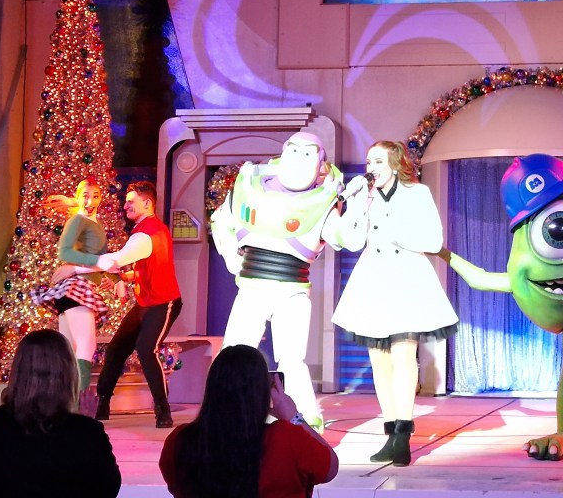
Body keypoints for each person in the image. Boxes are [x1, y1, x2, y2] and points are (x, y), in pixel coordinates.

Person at [329, 140, 458, 466]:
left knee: (403, 355)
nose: (371, 168)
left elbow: (434, 240)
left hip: (407, 279)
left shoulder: (417, 193)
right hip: (373, 280)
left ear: (395, 163)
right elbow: (353, 242)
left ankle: (403, 433)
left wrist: (396, 229)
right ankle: (390, 433)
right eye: (368, 162)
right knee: (379, 361)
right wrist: (354, 207)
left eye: (378, 161)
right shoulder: (365, 196)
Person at [209, 132, 342, 431]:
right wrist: (231, 256)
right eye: (294, 151)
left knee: (291, 359)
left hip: (292, 290)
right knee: (234, 351)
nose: (299, 159)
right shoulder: (251, 188)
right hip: (252, 286)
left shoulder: (322, 200)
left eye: (308, 153)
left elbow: (343, 237)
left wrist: (354, 207)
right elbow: (221, 221)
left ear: (319, 161)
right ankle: (224, 416)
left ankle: (305, 421)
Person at [159, 344, 338, 498]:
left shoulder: (179, 441)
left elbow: (174, 485)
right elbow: (330, 468)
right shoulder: (286, 438)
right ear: (262, 391)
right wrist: (294, 416)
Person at [0, 329, 121, 497]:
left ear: (18, 370)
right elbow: (106, 488)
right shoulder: (84, 431)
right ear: (69, 373)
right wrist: (85, 429)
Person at [93, 180, 183, 428]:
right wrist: (124, 279)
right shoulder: (145, 230)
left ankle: (162, 410)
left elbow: (119, 259)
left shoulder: (147, 233)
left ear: (147, 203)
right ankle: (103, 403)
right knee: (116, 348)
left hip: (164, 303)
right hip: (145, 304)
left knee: (146, 348)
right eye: (126, 201)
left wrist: (79, 263)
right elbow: (144, 269)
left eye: (131, 201)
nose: (125, 206)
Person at [30, 177, 110, 392]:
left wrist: (116, 278)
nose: (90, 201)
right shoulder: (78, 220)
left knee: (70, 349)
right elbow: (64, 252)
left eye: (95, 196)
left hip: (78, 287)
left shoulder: (93, 222)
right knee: (86, 345)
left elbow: (102, 256)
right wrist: (100, 263)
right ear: (78, 197)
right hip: (77, 287)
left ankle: (63, 399)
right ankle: (78, 401)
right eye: (85, 196)